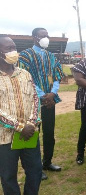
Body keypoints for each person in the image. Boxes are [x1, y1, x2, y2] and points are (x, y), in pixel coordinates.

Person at [18, 28, 64, 180]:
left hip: (50, 101)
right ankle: (35, 168)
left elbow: (57, 76)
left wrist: (52, 93)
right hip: (32, 101)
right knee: (33, 133)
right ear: (34, 37)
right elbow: (26, 78)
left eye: (47, 36)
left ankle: (47, 162)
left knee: (49, 133)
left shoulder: (51, 56)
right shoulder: (25, 56)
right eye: (43, 36)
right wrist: (42, 95)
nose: (46, 38)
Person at [0, 36, 42, 195]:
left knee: (35, 171)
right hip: (4, 138)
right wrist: (18, 127)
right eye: (8, 49)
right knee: (8, 176)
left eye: (14, 47)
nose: (13, 52)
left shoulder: (25, 74)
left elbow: (35, 98)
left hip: (29, 133)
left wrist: (31, 123)